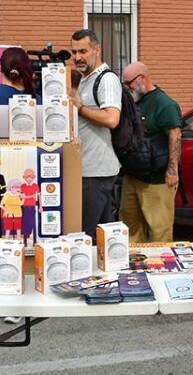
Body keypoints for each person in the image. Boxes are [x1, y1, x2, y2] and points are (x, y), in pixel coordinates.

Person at [118, 61, 182, 243]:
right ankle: (133, 264)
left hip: (157, 180)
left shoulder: (164, 103)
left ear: (141, 79)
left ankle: (161, 268)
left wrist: (172, 169)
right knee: (129, 226)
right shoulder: (135, 101)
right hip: (133, 176)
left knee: (159, 230)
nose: (127, 87)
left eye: (128, 83)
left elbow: (175, 135)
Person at [70, 29, 122, 238]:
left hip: (96, 172)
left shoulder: (106, 79)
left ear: (97, 49)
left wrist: (80, 108)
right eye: (74, 52)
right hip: (90, 171)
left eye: (83, 51)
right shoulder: (86, 78)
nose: (77, 57)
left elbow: (111, 118)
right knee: (101, 235)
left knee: (87, 235)